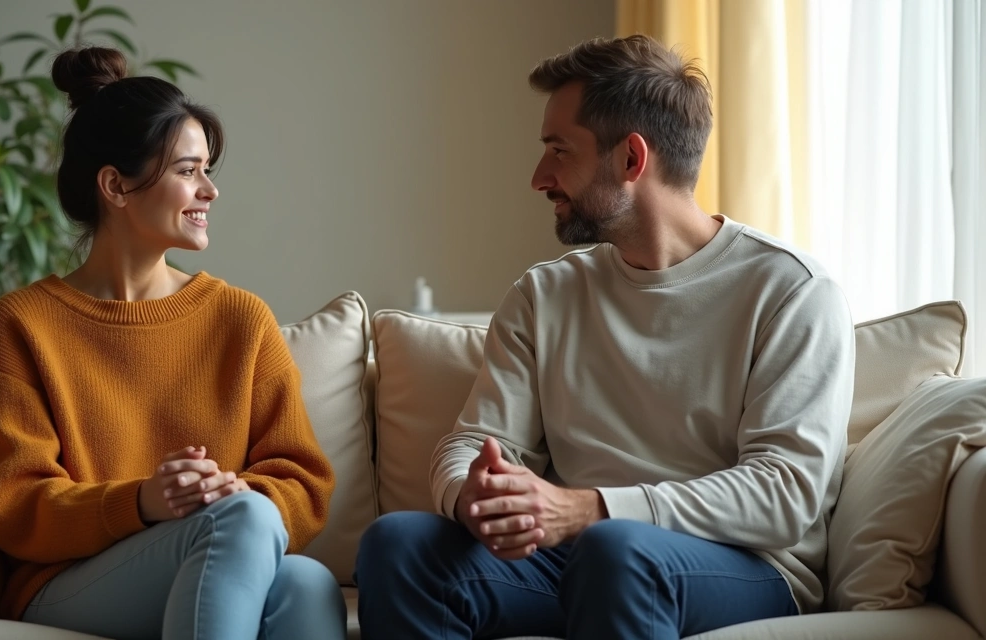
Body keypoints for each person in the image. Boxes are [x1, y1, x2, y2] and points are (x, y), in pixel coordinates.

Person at [355, 34, 855, 640]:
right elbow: (474, 442)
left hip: (745, 566)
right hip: (579, 554)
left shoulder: (790, 290)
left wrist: (592, 509)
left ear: (630, 160)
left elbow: (784, 492)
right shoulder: (546, 295)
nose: (539, 177)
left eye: (558, 151)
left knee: (617, 551)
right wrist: (473, 497)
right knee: (399, 546)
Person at [0, 46, 344, 640]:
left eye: (207, 171)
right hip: (69, 583)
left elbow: (303, 480)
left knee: (308, 583)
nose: (209, 192)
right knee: (243, 522)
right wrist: (142, 501)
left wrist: (233, 489)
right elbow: (14, 506)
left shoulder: (240, 318)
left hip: (221, 552)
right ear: (115, 185)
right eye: (188, 171)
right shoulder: (22, 324)